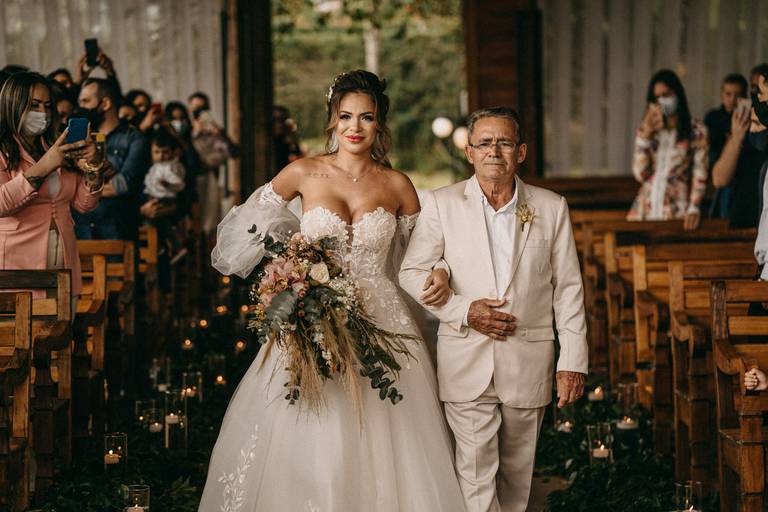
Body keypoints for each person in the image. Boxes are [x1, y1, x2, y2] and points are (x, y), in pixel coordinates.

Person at [199, 70, 464, 511]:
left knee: (388, 428)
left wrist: (440, 268)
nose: (354, 127)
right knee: (310, 419)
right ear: (332, 121)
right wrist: (288, 269)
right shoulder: (304, 171)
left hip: (382, 318)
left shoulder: (397, 184)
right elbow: (244, 229)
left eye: (366, 117)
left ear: (380, 124)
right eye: (346, 116)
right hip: (311, 313)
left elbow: (427, 251)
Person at [399, 106, 588, 512]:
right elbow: (411, 273)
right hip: (466, 356)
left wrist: (572, 362)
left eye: (504, 143)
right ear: (469, 152)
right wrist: (465, 311)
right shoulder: (441, 204)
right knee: (475, 474)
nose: (494, 152)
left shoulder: (551, 207)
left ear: (521, 152)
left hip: (528, 356)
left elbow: (569, 290)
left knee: (518, 478)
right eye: (484, 143)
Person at [0, 72, 105, 301]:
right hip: (16, 266)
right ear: (12, 105)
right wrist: (45, 165)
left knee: (64, 321)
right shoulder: (3, 151)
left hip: (63, 258)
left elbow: (84, 205)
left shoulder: (56, 145)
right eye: (34, 105)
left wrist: (93, 167)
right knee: (27, 322)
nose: (43, 113)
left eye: (47, 106)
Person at [627, 69, 708, 230]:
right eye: (657, 97)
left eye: (666, 95)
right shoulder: (649, 129)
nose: (662, 101)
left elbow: (700, 172)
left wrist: (694, 207)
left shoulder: (696, 130)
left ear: (677, 93)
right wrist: (645, 137)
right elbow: (640, 174)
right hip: (646, 208)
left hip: (676, 208)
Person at [73, 78, 150, 240]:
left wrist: (80, 191)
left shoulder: (134, 138)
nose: (80, 107)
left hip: (117, 231)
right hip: (80, 232)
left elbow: (123, 185)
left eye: (86, 101)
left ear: (105, 103)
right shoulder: (79, 137)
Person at [706, 73, 763, 226]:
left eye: (737, 95)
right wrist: (735, 137)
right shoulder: (714, 118)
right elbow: (719, 177)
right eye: (728, 94)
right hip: (728, 186)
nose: (732, 99)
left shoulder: (755, 122)